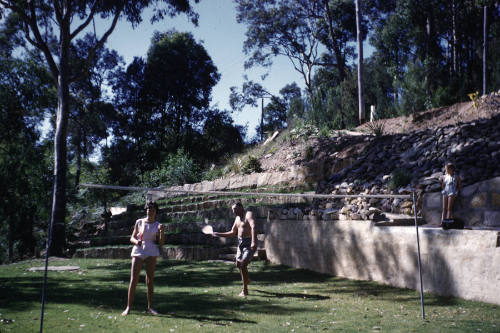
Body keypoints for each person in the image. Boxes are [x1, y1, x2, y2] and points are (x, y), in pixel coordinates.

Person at [122, 201, 164, 316]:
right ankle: (128, 307)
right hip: (138, 250)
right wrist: (137, 241)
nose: (150, 211)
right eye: (148, 209)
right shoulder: (139, 222)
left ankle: (150, 307)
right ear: (146, 210)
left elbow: (161, 243)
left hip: (151, 250)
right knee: (133, 279)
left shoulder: (158, 225)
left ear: (156, 212)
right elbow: (132, 237)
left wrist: (161, 231)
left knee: (150, 280)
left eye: (152, 209)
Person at [213, 201, 257, 297]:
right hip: (240, 244)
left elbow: (253, 226)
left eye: (235, 209)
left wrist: (253, 241)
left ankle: (245, 290)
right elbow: (233, 232)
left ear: (241, 207)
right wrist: (218, 234)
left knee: (243, 264)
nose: (233, 211)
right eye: (232, 209)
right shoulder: (237, 218)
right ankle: (247, 279)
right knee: (238, 264)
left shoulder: (248, 214)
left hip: (249, 243)